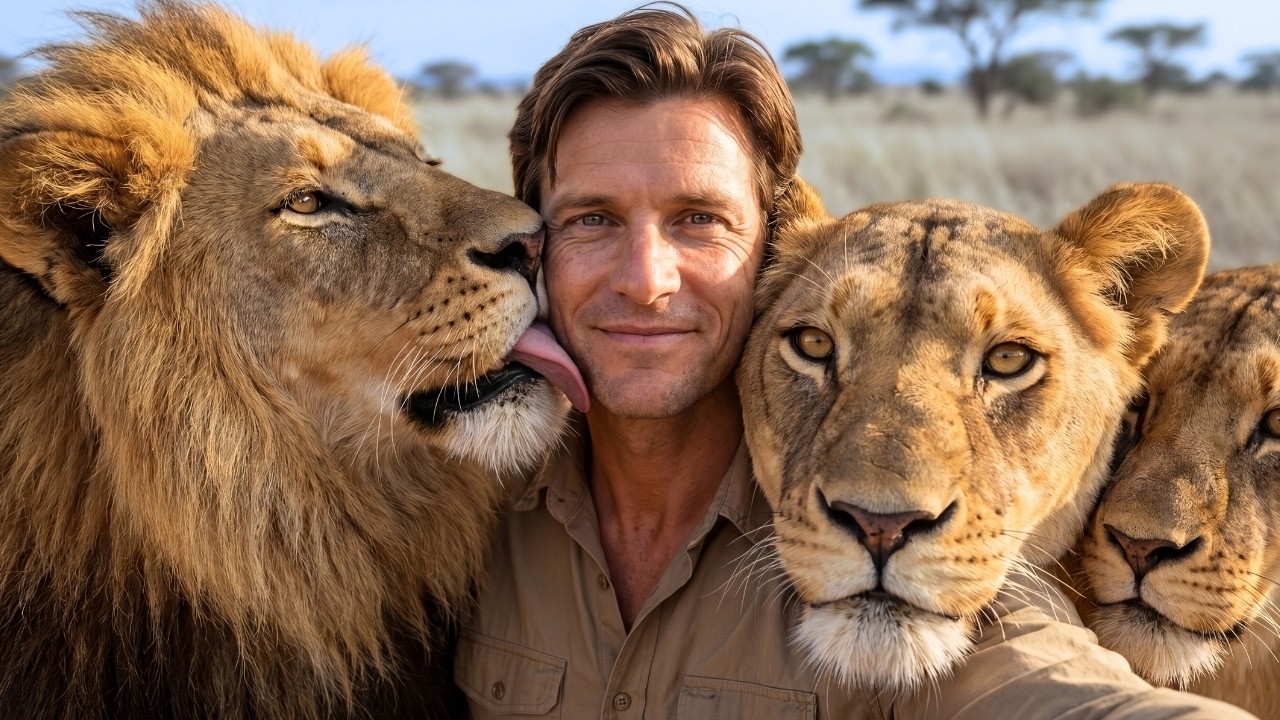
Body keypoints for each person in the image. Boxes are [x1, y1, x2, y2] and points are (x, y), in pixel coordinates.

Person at [452, 6, 1255, 718]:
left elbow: (1056, 687)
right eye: (592, 218)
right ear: (535, 245)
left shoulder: (983, 590)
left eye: (698, 219)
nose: (647, 279)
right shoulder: (459, 497)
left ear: (758, 254)